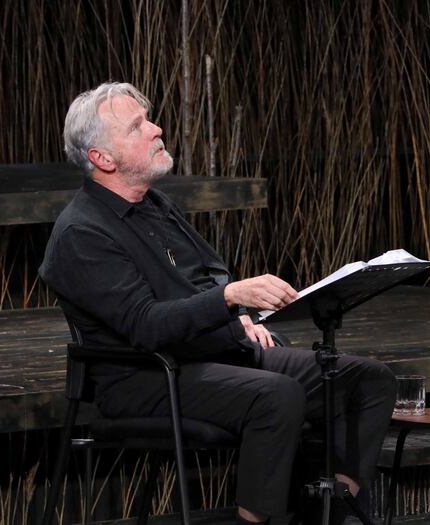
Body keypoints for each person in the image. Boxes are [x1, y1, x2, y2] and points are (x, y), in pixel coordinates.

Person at [40, 82, 397, 525]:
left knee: (366, 381)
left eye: (148, 119)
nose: (156, 129)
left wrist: (239, 314)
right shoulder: (82, 233)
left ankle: (328, 515)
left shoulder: (154, 204)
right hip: (146, 376)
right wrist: (229, 299)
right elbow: (146, 325)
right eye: (137, 126)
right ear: (103, 158)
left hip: (209, 351)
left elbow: (211, 270)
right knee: (277, 396)